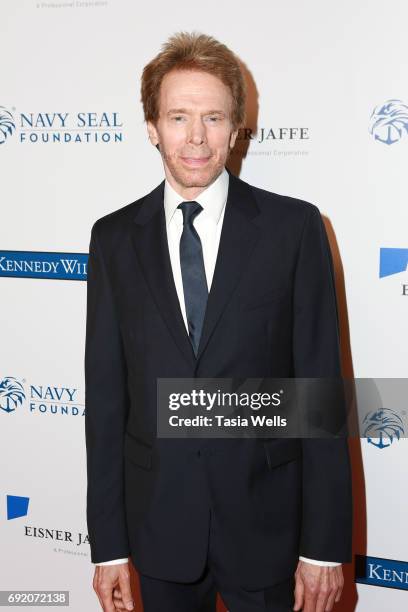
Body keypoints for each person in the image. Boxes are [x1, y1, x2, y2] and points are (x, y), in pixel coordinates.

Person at [85, 31, 352, 612]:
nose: (197, 137)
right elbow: (106, 401)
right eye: (179, 117)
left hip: (268, 529)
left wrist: (325, 548)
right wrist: (107, 548)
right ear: (152, 126)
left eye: (213, 117)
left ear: (236, 129)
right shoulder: (112, 240)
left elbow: (320, 394)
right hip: (157, 529)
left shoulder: (294, 230)